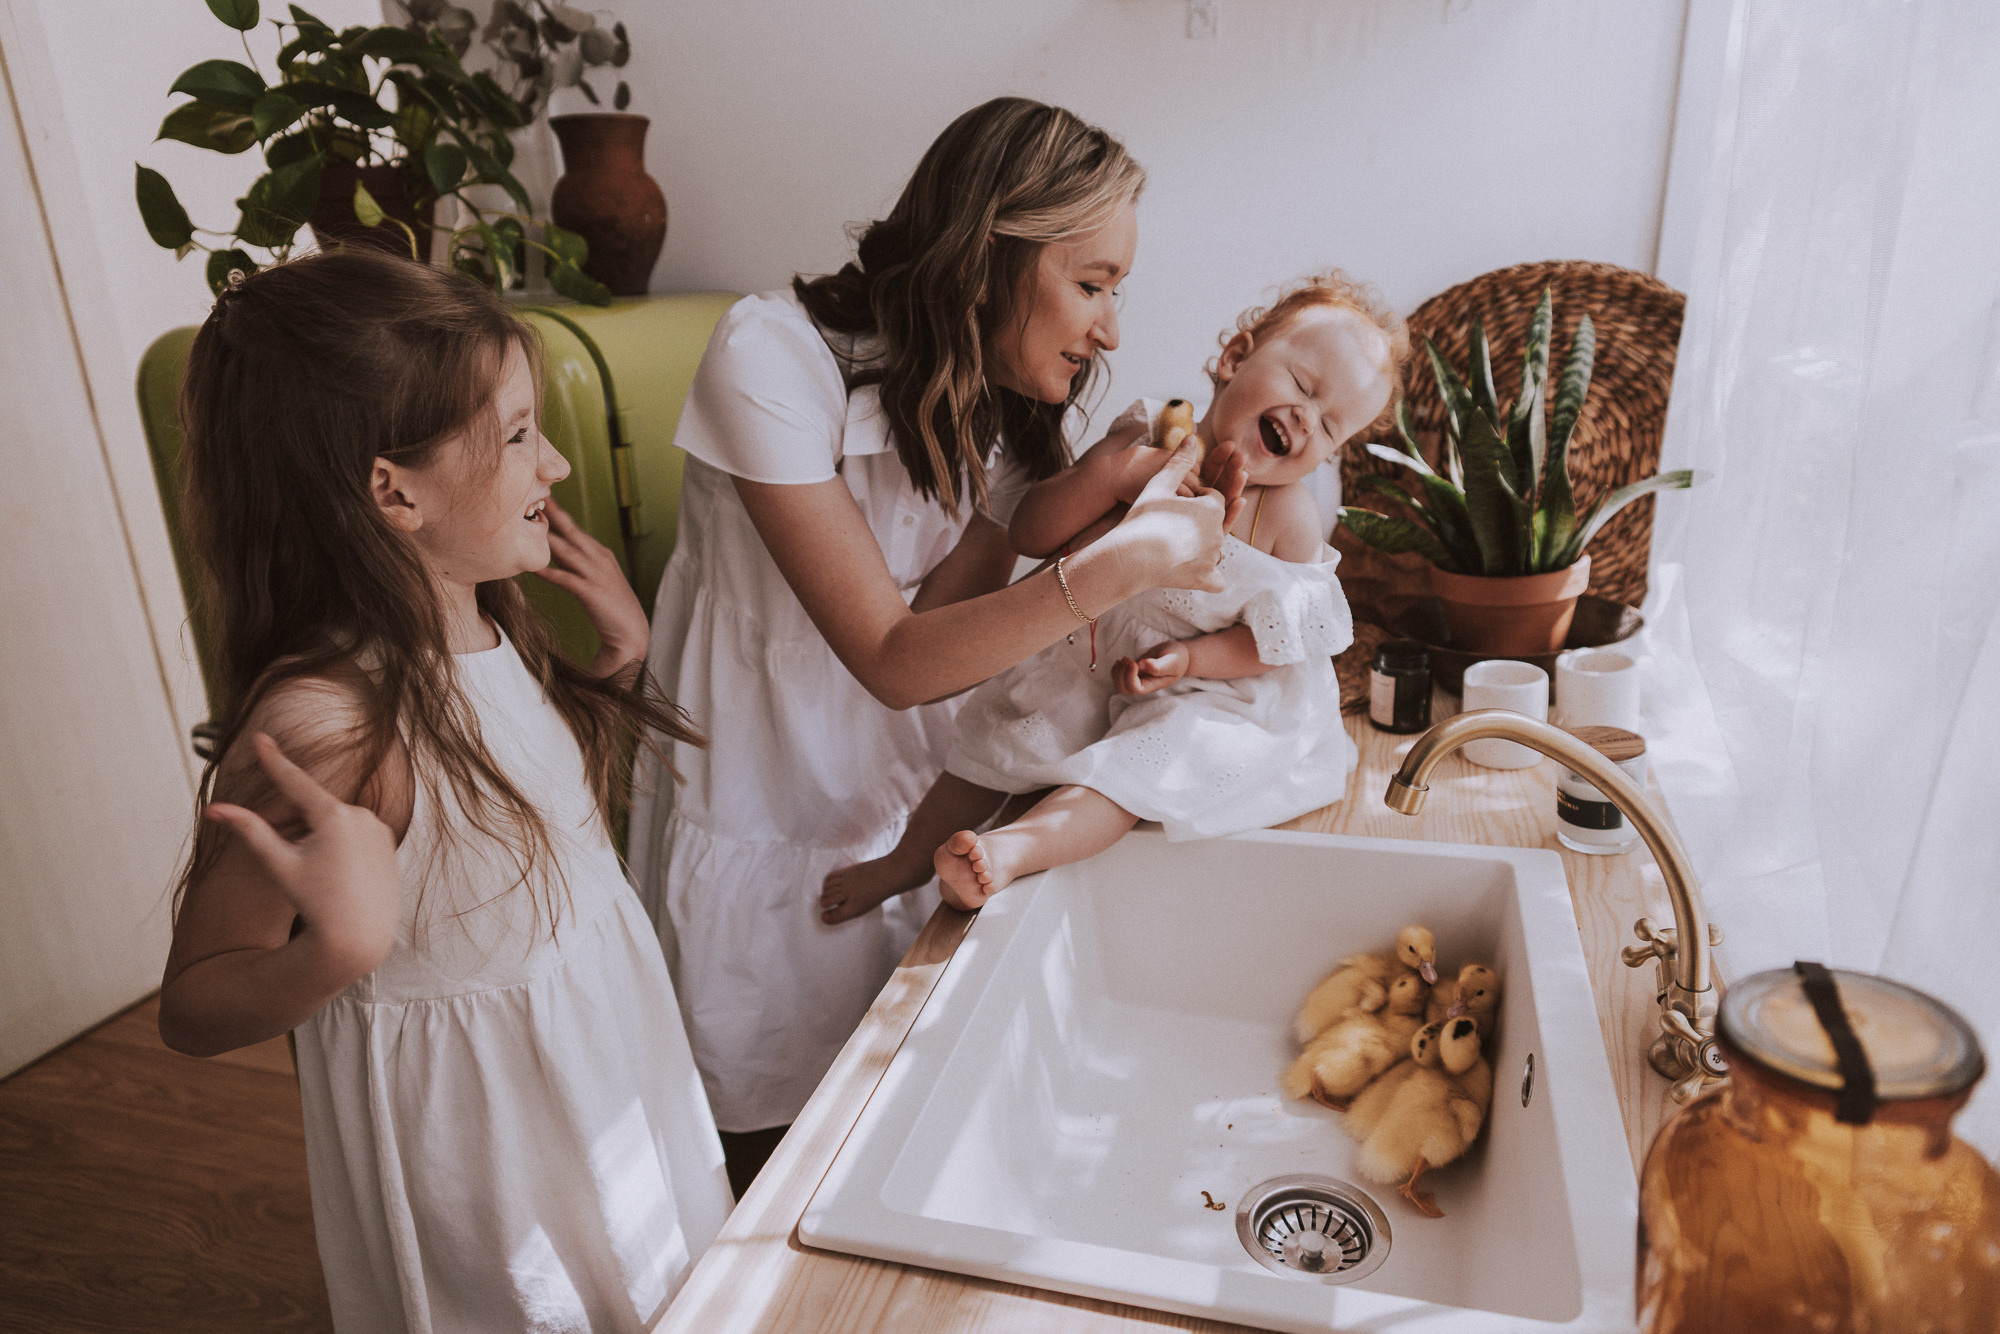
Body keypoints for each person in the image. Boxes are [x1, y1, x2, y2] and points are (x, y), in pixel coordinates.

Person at [627, 97, 1246, 1193]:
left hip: (905, 800)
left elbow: (947, 630)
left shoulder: (986, 397)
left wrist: (1092, 490)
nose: (1108, 330)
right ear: (983, 260)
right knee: (762, 1156)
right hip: (762, 797)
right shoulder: (768, 354)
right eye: (1091, 283)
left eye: (1116, 292)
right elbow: (890, 653)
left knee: (889, 1145)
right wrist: (1123, 560)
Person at [156, 251, 733, 1334]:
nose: (554, 461)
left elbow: (540, 835)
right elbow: (190, 1004)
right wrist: (330, 951)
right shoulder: (327, 723)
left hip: (602, 1064)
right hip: (489, 1149)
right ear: (393, 489)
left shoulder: (486, 616)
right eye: (517, 435)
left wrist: (615, 665)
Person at [819, 272, 1405, 916]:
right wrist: (1118, 474)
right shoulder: (1156, 429)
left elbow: (1273, 645)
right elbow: (1034, 530)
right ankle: (905, 860)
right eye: (1301, 386)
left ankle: (1016, 850)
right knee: (998, 733)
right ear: (1235, 358)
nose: (1304, 418)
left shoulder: (1286, 520)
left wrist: (1189, 662)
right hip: (1095, 652)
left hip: (1213, 689)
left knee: (1137, 769)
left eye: (1329, 427)